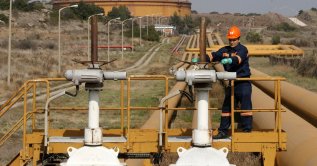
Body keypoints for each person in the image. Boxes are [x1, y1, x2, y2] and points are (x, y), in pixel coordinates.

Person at [206, 26, 253, 139]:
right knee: (227, 107)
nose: (232, 42)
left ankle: (246, 130)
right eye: (230, 39)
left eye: (234, 39)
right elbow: (214, 55)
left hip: (242, 81)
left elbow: (238, 59)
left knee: (245, 105)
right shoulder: (225, 50)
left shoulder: (243, 49)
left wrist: (229, 59)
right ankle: (223, 131)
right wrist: (203, 58)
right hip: (231, 83)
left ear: (238, 39)